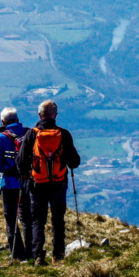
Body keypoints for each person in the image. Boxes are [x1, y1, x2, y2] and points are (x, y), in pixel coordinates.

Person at [18, 99, 81, 265]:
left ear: (39, 115)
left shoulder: (32, 134)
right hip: (59, 184)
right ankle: (58, 254)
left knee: (38, 221)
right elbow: (74, 162)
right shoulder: (63, 134)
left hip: (37, 184)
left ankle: (38, 255)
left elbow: (21, 162)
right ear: (55, 115)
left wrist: (29, 172)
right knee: (58, 220)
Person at [0, 106, 30, 261]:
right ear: (18, 120)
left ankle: (17, 254)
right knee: (27, 218)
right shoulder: (29, 134)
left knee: (11, 219)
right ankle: (32, 251)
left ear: (3, 122)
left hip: (9, 184)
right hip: (27, 183)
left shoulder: (1, 138)